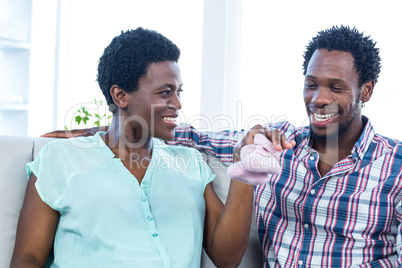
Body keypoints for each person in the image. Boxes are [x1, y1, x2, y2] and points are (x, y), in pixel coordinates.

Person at [42, 25, 402, 267]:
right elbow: (191, 136)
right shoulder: (277, 143)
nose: (318, 98)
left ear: (366, 91)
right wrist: (101, 130)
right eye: (311, 84)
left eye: (335, 87)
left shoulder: (395, 166)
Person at [10, 28, 260, 268]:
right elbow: (27, 258)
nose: (178, 103)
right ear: (120, 96)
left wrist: (244, 172)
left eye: (179, 92)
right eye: (165, 93)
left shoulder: (190, 163)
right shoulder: (60, 158)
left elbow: (227, 259)